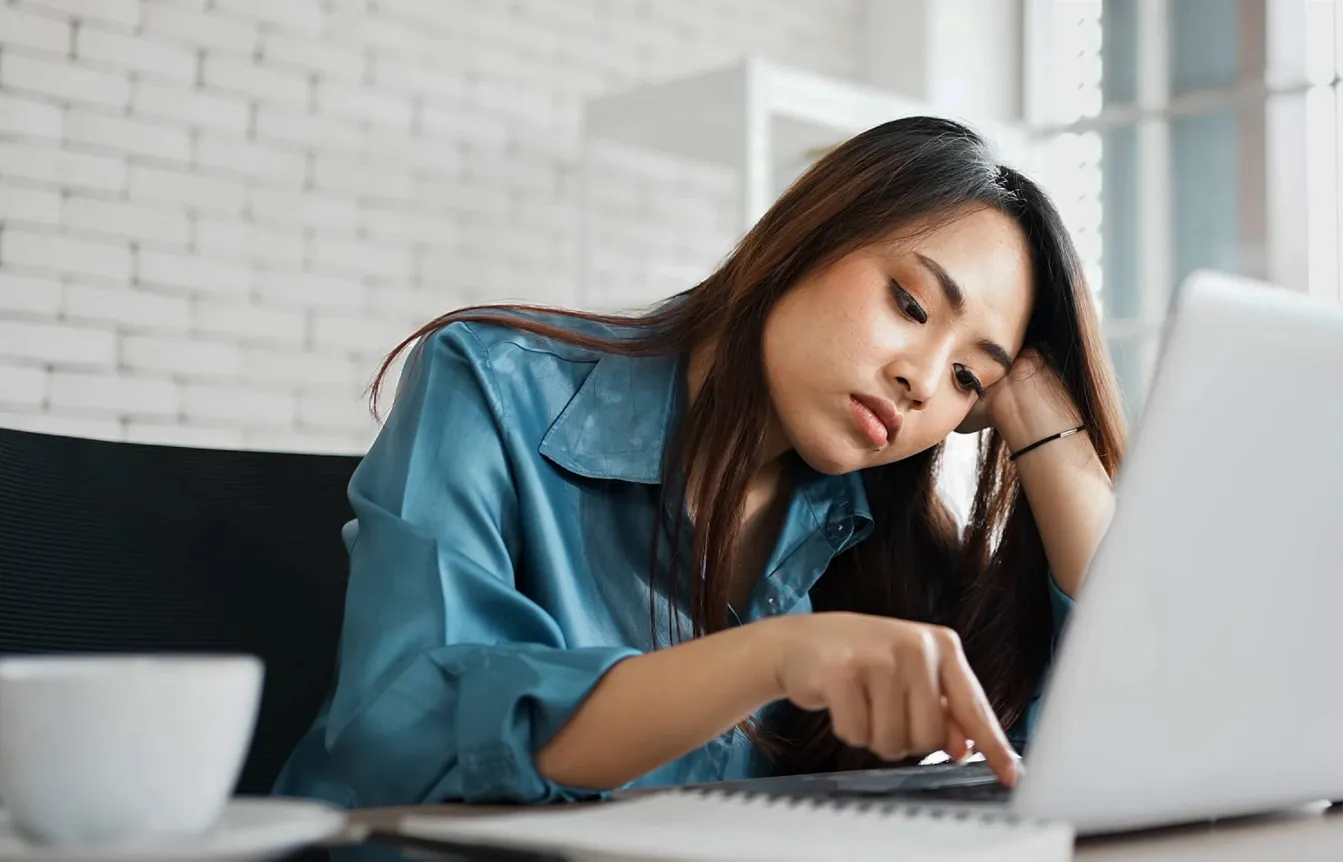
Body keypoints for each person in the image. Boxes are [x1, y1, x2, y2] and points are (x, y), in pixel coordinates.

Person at [272, 116, 1125, 808]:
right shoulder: (492, 384)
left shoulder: (879, 536)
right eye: (909, 303)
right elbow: (409, 733)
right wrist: (774, 655)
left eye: (971, 376)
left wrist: (1049, 428)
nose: (922, 379)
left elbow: (1100, 753)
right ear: (809, 232)